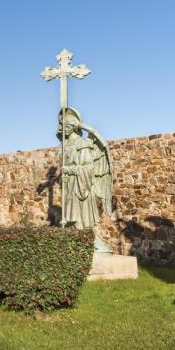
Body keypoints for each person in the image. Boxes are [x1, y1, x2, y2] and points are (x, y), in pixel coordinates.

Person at [57, 107, 114, 253]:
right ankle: (76, 243)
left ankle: (89, 242)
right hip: (69, 185)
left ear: (74, 127)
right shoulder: (65, 145)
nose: (64, 129)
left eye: (67, 126)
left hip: (80, 185)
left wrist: (70, 170)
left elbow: (88, 168)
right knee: (71, 218)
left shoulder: (82, 143)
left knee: (81, 218)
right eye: (63, 126)